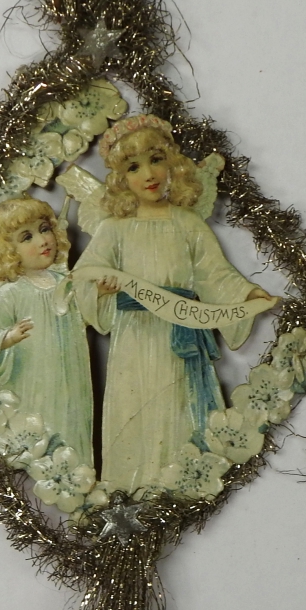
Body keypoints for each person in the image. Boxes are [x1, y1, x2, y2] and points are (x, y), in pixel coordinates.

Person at [73, 114, 278, 492]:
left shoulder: (187, 224)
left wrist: (246, 296)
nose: (149, 174)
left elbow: (215, 274)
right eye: (134, 167)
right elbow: (83, 278)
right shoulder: (113, 229)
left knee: (179, 406)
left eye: (156, 160)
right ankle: (131, 489)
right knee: (136, 408)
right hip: (135, 340)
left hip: (181, 334)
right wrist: (100, 289)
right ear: (121, 179)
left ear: (173, 164)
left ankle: (182, 485)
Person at [0, 196, 99, 465]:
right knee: (44, 427)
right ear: (9, 251)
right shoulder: (11, 293)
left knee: (73, 423)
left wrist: (101, 295)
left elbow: (90, 317)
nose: (43, 241)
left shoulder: (67, 284)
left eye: (44, 229)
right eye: (27, 237)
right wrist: (7, 338)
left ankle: (77, 471)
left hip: (72, 375)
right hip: (34, 378)